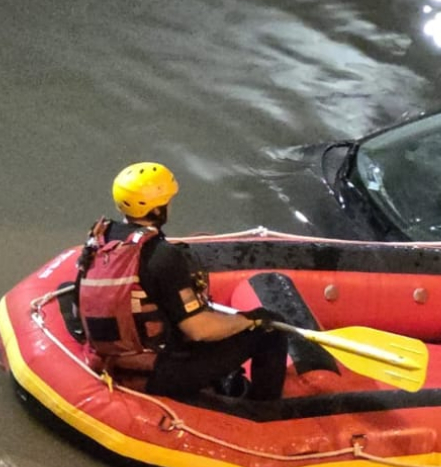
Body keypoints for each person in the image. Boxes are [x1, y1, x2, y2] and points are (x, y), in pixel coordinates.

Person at [76, 162, 289, 400]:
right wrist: (248, 319)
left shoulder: (99, 236)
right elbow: (198, 330)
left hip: (112, 358)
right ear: (157, 210)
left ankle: (224, 380)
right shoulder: (162, 255)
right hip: (156, 373)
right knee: (270, 332)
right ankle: (263, 410)